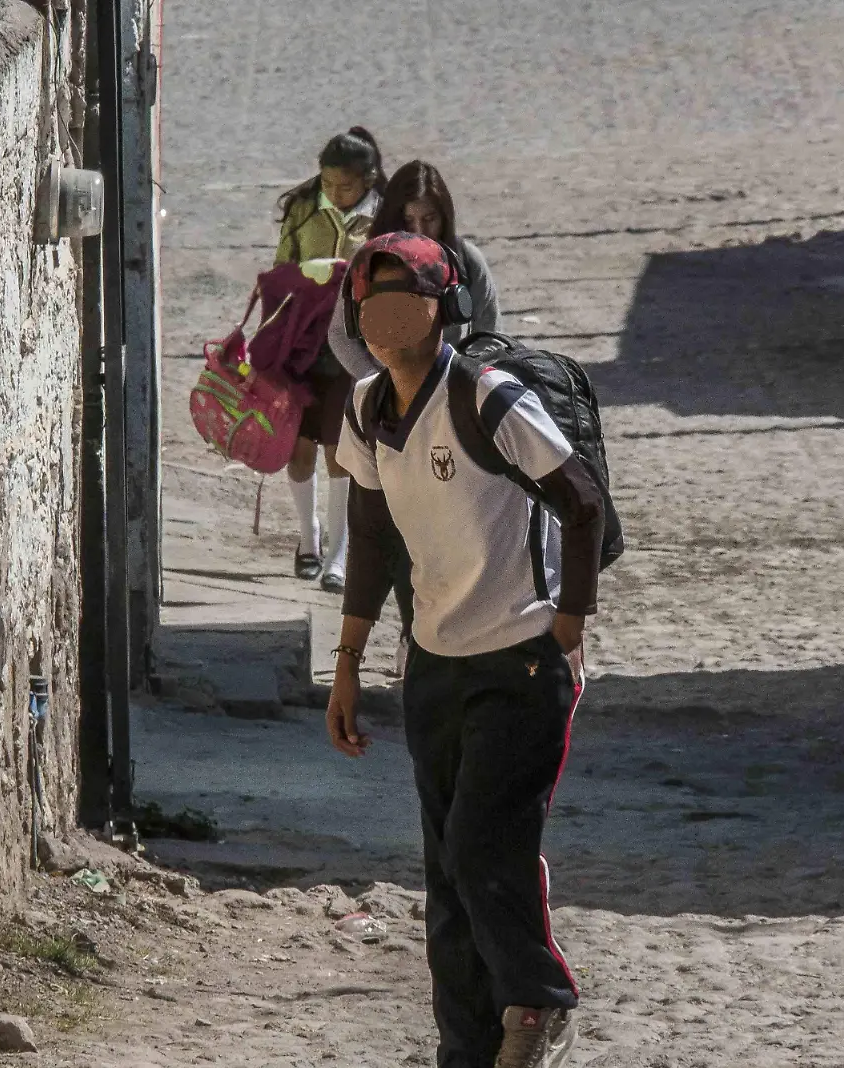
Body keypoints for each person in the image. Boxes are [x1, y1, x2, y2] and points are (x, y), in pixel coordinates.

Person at [328, 232, 602, 1068]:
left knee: (486, 844)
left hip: (521, 662)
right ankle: (468, 1047)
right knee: (446, 874)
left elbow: (581, 503)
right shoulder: (366, 407)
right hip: (433, 665)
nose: (381, 318)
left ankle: (540, 1003)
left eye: (401, 300)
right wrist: (347, 659)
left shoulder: (487, 398)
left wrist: (567, 625)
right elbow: (371, 537)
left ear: (441, 307)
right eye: (368, 304)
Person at [324, 159, 502, 672]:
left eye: (431, 221)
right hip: (393, 418)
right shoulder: (372, 263)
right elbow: (342, 334)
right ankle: (410, 632)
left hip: (457, 415)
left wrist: (464, 385)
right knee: (393, 527)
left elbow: (489, 336)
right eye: (410, 221)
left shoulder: (467, 261)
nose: (421, 232)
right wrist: (386, 377)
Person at [274, 126, 385, 588]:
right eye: (328, 184)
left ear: (368, 180)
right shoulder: (302, 210)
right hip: (301, 342)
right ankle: (308, 540)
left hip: (353, 346)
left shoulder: (382, 218)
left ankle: (339, 555)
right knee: (298, 449)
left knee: (341, 451)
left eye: (346, 186)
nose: (336, 194)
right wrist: (307, 274)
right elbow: (280, 272)